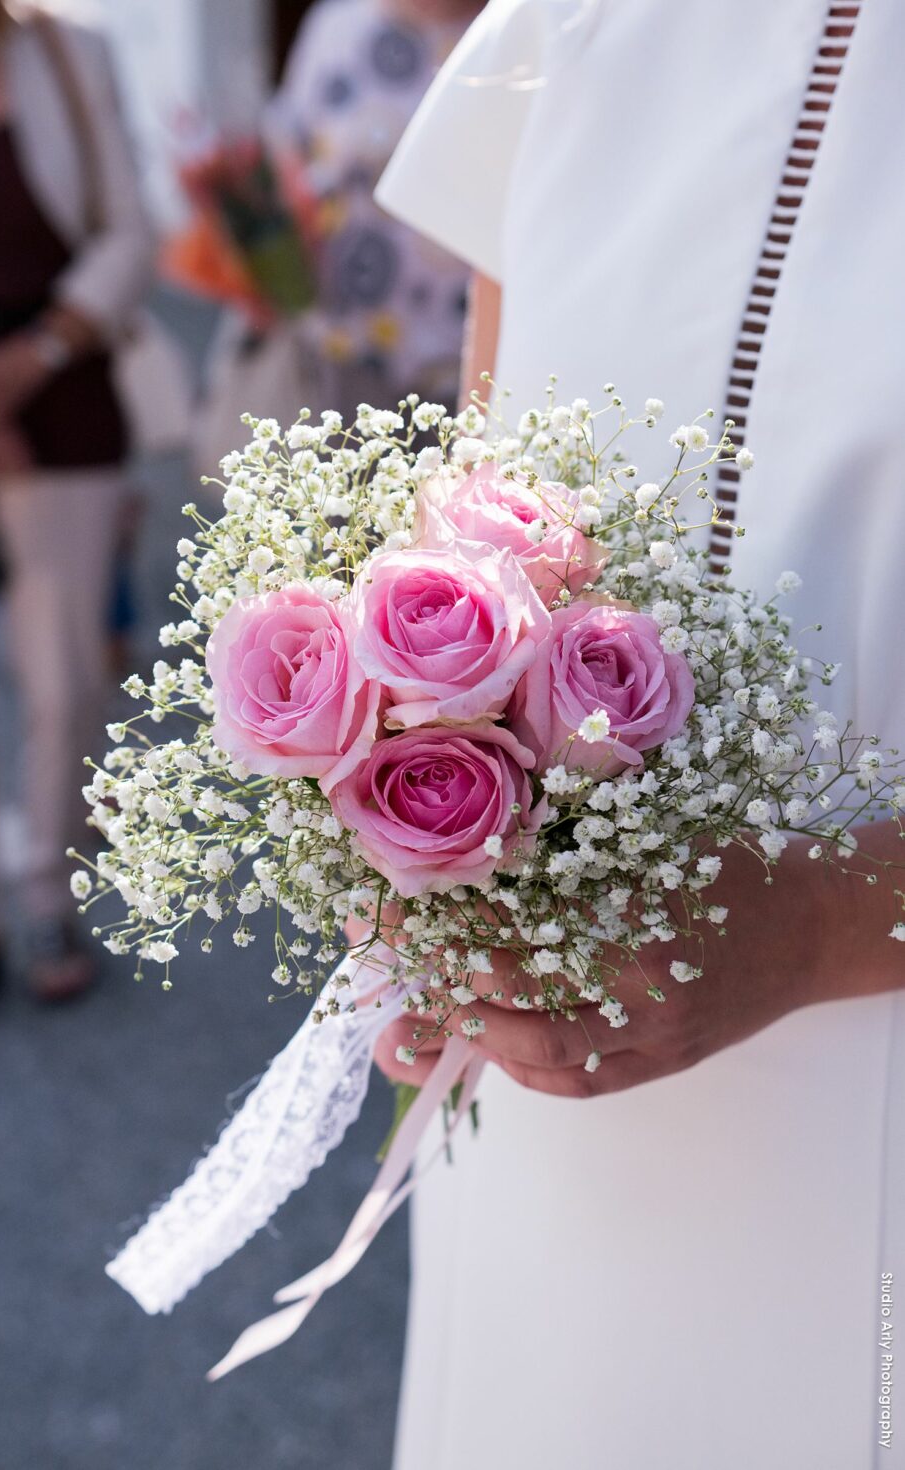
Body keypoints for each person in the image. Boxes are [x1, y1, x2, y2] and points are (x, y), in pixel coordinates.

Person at [374, 1, 905, 1466]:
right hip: (548, 1150)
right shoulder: (577, 21)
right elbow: (468, 528)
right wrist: (397, 857)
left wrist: (816, 923)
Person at [0, 0, 153, 1031]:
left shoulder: (75, 57)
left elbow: (129, 238)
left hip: (59, 399)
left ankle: (49, 901)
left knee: (63, 678)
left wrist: (23, 367)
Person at [272, 0, 485, 417]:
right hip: (347, 362)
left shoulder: (527, 30)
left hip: (483, 369)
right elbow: (284, 167)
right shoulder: (334, 30)